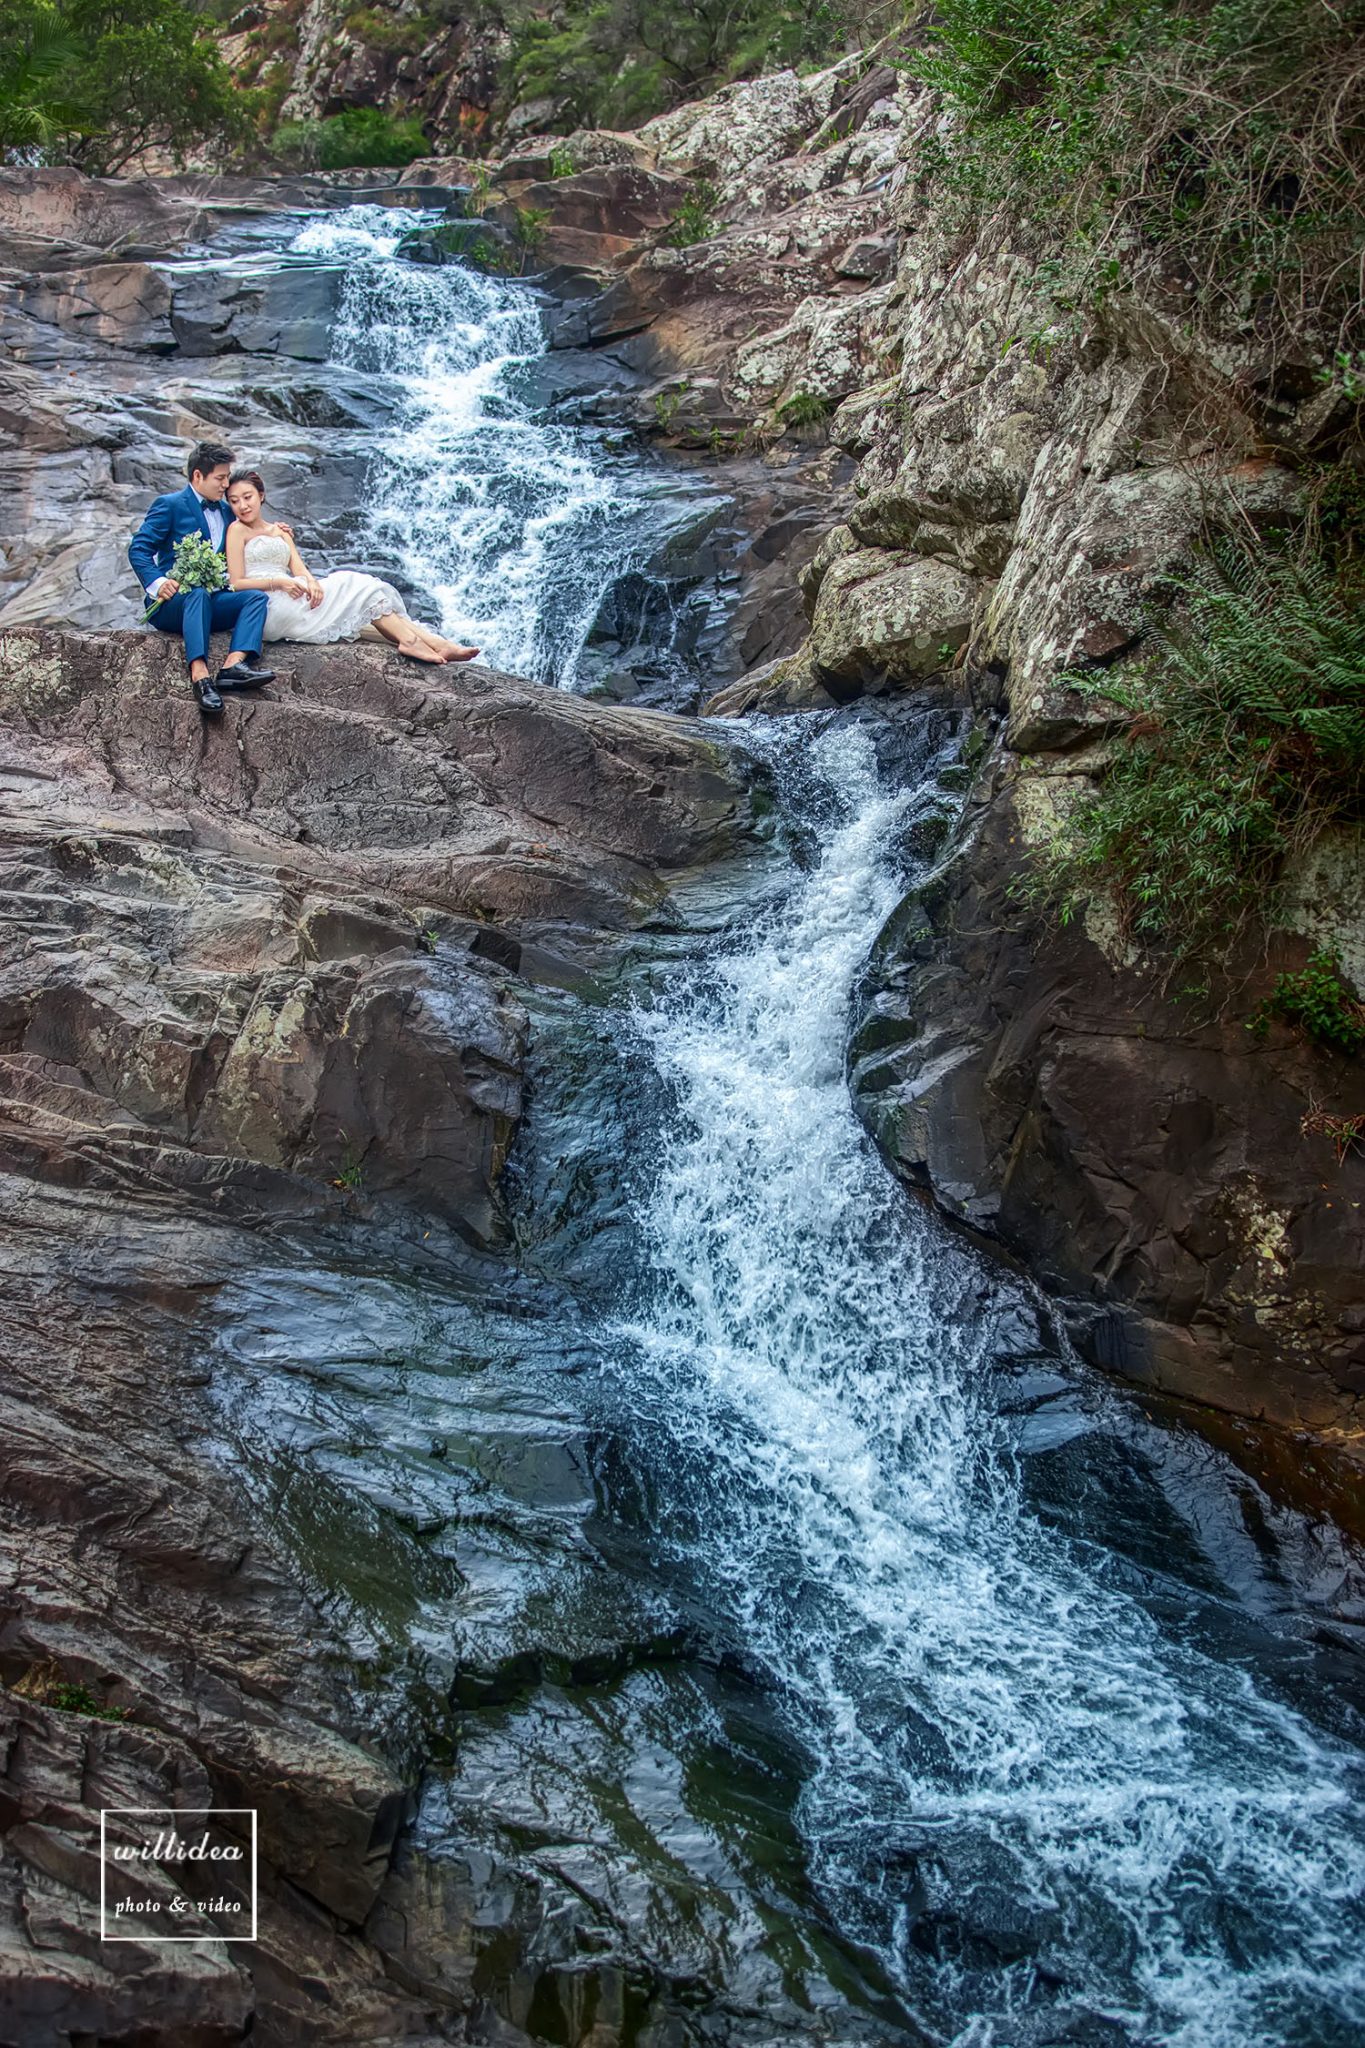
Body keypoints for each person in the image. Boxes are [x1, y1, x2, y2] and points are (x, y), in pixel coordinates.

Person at [223, 471, 479, 666]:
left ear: (261, 496)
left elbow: (299, 568)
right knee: (353, 584)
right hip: (267, 606)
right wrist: (278, 583)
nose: (243, 506)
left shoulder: (279, 531)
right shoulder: (237, 530)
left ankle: (432, 642)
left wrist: (311, 583)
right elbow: (236, 583)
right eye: (234, 501)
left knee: (368, 594)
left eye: (248, 497)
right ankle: (414, 642)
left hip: (294, 594)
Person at [128, 440, 277, 719]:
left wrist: (275, 532)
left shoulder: (224, 510)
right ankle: (200, 677)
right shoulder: (169, 505)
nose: (225, 485)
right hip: (173, 603)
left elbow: (250, 529)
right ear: (198, 476)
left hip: (212, 599)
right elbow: (139, 549)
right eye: (220, 478)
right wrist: (160, 583)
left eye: (226, 478)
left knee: (255, 598)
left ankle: (233, 667)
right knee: (196, 594)